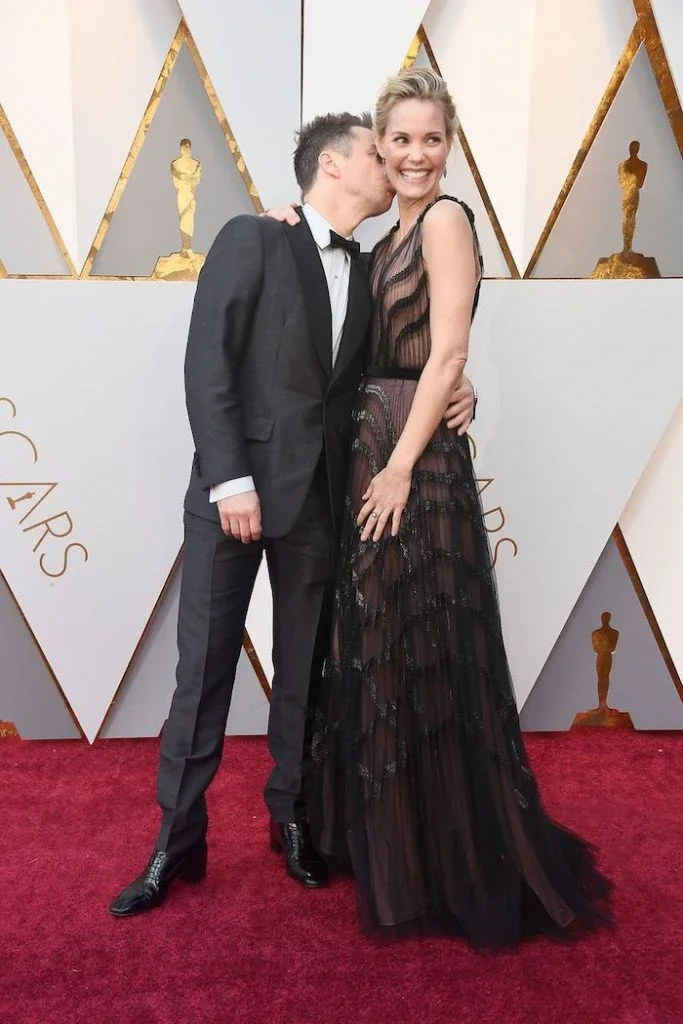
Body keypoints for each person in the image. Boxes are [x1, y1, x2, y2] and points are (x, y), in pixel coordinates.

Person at [109, 111, 476, 917]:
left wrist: (458, 383)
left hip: (321, 499)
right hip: (234, 497)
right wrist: (229, 480)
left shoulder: (372, 265)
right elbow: (208, 363)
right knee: (202, 672)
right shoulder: (254, 238)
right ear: (333, 166)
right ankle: (176, 839)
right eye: (378, 153)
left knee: (304, 671)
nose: (394, 166)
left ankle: (293, 819)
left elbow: (401, 355)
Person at [305, 68, 613, 948]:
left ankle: (446, 854)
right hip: (377, 449)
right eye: (400, 139)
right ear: (378, 145)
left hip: (414, 462)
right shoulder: (386, 231)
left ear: (451, 145)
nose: (415, 154)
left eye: (430, 139)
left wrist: (401, 467)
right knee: (384, 642)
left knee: (428, 643)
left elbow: (445, 355)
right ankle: (400, 841)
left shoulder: (444, 220)